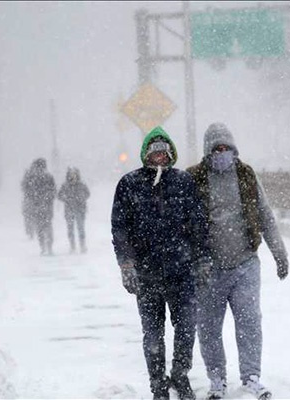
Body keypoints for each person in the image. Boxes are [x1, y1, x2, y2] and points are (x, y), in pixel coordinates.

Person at [186, 122, 290, 400]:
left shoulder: (245, 175)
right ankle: (217, 379)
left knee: (249, 322)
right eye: (216, 149)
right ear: (208, 152)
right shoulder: (194, 178)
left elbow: (265, 216)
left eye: (226, 148)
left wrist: (279, 253)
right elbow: (180, 223)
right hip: (208, 269)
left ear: (233, 149)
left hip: (244, 263)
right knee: (208, 327)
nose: (222, 153)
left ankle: (251, 377)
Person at [111, 126, 210, 400]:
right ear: (146, 155)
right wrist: (126, 265)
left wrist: (201, 260)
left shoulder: (184, 182)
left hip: (181, 272)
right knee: (153, 335)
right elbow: (120, 229)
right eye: (154, 153)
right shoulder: (129, 184)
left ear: (171, 154)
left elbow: (198, 226)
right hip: (147, 275)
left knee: (187, 328)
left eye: (163, 152)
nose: (159, 158)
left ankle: (180, 374)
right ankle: (158, 385)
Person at [22, 158, 56, 255]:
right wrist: (48, 198)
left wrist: (35, 199)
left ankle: (44, 247)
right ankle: (48, 246)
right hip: (46, 206)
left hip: (38, 206)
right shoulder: (48, 177)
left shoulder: (32, 178)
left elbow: (26, 191)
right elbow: (53, 191)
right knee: (47, 226)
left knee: (41, 227)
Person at [58, 167, 91, 253]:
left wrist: (81, 198)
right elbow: (59, 195)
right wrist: (66, 199)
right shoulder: (65, 185)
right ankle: (72, 246)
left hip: (80, 210)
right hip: (69, 210)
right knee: (70, 229)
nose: (73, 177)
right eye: (71, 175)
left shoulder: (81, 185)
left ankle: (82, 245)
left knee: (81, 228)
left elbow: (88, 194)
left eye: (74, 174)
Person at [21, 167, 35, 239]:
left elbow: (22, 188)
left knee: (28, 217)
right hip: (32, 200)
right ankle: (31, 230)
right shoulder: (34, 180)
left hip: (28, 200)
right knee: (31, 216)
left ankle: (29, 230)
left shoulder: (25, 181)